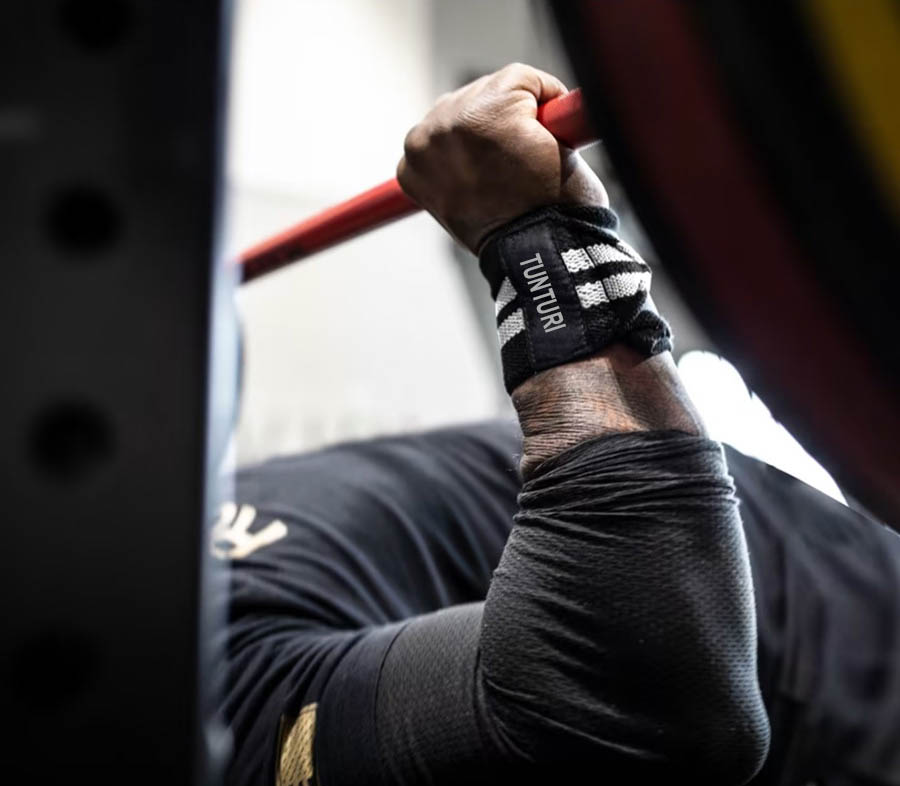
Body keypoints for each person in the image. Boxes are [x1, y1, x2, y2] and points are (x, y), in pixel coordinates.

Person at [217, 65, 900, 786]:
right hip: (753, 666)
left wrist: (535, 239)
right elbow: (626, 700)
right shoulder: (210, 697)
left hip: (825, 634)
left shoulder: (187, 593)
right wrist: (533, 236)